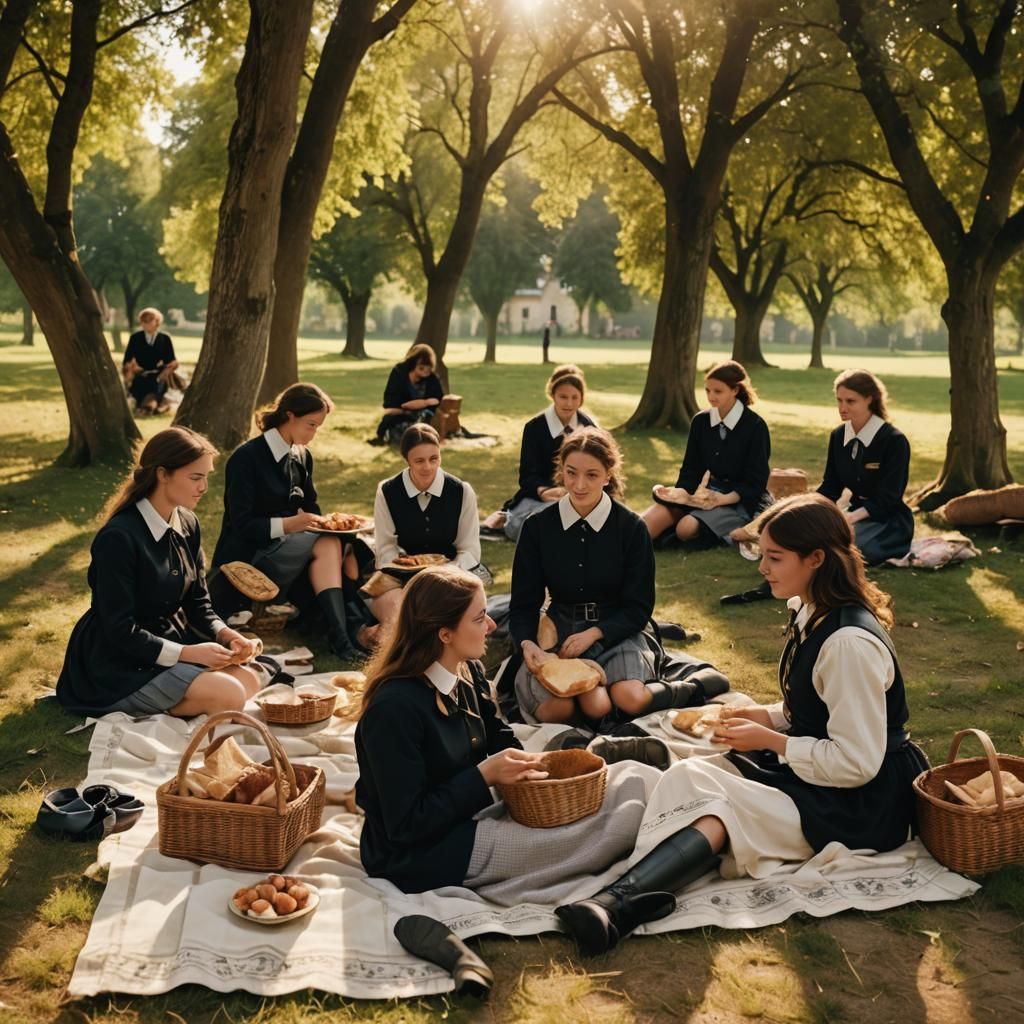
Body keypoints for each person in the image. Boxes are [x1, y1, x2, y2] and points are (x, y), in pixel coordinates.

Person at [554, 492, 929, 955]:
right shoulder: (812, 612)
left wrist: (772, 739)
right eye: (761, 555)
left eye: (774, 557)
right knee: (695, 774)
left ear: (815, 559)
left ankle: (616, 909)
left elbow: (858, 761)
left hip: (866, 801)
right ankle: (620, 891)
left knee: (727, 804)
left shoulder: (849, 643)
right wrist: (766, 715)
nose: (762, 568)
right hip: (831, 778)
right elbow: (818, 710)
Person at [355, 565, 669, 898]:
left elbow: (499, 736)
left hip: (473, 810)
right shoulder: (393, 710)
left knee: (630, 780)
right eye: (479, 619)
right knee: (613, 826)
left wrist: (543, 773)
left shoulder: (467, 670)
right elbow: (406, 826)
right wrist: (484, 775)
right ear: (444, 634)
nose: (491, 626)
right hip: (425, 852)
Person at [509, 428, 714, 726]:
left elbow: (639, 606)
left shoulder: (632, 528)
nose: (579, 485)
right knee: (559, 711)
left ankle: (694, 686)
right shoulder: (537, 527)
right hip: (557, 632)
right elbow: (524, 603)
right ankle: (592, 701)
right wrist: (529, 644)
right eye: (571, 473)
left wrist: (594, 634)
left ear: (608, 475)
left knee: (628, 698)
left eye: (592, 475)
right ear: (561, 472)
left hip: (617, 629)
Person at [56, 428, 263, 718]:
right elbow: (118, 630)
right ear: (163, 474)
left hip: (170, 642)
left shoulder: (188, 523)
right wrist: (188, 654)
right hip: (118, 661)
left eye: (206, 477)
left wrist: (227, 635)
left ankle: (178, 700)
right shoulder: (119, 538)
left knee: (249, 680)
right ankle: (166, 703)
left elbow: (198, 602)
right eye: (195, 477)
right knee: (230, 694)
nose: (204, 487)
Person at [211, 382, 361, 661]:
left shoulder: (301, 454)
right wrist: (289, 525)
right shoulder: (247, 458)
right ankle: (342, 639)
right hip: (249, 555)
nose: (314, 433)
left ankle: (345, 634)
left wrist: (327, 524)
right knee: (328, 543)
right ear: (289, 416)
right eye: (310, 425)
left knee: (342, 542)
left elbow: (312, 506)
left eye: (318, 427)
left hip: (291, 547)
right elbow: (241, 525)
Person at [642, 359, 771, 546]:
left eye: (718, 391)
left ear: (735, 390)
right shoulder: (701, 421)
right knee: (647, 524)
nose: (711, 396)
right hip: (704, 496)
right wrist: (680, 493)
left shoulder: (755, 426)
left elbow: (756, 481)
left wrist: (723, 499)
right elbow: (691, 469)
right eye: (708, 390)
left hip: (738, 501)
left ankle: (727, 531)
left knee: (685, 529)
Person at [369, 423, 482, 634]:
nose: (428, 467)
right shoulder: (388, 491)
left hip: (453, 573)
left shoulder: (462, 491)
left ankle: (380, 634)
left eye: (434, 459)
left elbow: (470, 549)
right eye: (419, 461)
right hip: (402, 575)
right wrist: (406, 573)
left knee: (444, 613)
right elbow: (385, 548)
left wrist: (447, 574)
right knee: (403, 612)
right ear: (406, 460)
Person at [483, 364, 597, 541]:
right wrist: (544, 491)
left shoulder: (589, 428)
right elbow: (528, 475)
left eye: (575, 398)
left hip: (580, 494)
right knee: (544, 519)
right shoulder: (534, 428)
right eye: (563, 397)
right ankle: (509, 518)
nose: (569, 403)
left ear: (581, 399)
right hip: (541, 497)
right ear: (553, 396)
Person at [818, 369, 914, 564]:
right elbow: (830, 487)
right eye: (839, 400)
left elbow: (889, 498)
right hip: (854, 514)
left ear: (869, 399)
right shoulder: (838, 436)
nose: (842, 407)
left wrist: (850, 519)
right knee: (813, 540)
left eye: (850, 401)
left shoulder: (894, 441)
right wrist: (805, 510)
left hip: (888, 521)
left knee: (843, 551)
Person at [372, 343, 445, 445]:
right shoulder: (399, 373)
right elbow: (391, 399)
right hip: (399, 411)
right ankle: (383, 437)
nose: (425, 372)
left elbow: (437, 398)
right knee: (390, 422)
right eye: (421, 368)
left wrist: (425, 404)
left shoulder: (431, 379)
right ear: (413, 364)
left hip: (421, 414)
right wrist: (402, 409)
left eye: (428, 370)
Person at [122, 308, 179, 415]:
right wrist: (132, 368)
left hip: (158, 376)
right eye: (143, 321)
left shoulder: (164, 338)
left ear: (156, 321)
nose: (145, 324)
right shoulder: (135, 338)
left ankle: (152, 406)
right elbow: (127, 360)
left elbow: (171, 360)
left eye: (149, 321)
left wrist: (166, 370)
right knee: (140, 391)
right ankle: (156, 406)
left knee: (155, 388)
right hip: (140, 374)